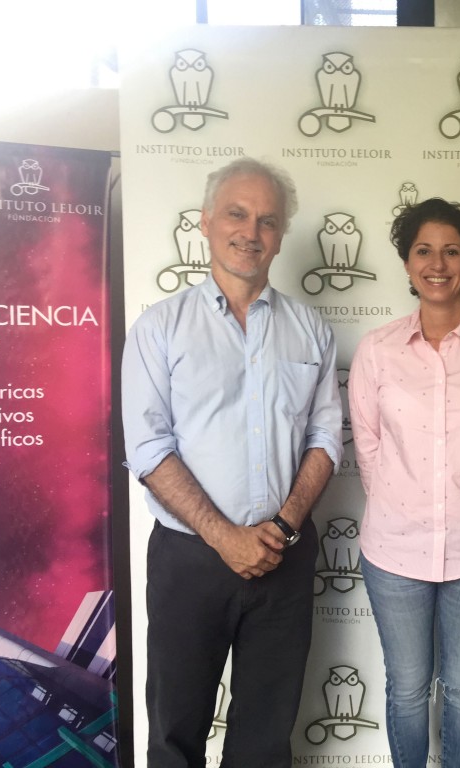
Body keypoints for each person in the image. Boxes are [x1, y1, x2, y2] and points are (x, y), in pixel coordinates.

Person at [122, 158, 344, 768]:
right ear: (205, 221)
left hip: (284, 555)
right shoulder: (159, 328)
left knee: (265, 742)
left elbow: (327, 437)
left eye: (268, 220)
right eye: (237, 214)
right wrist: (224, 538)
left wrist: (282, 527)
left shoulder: (311, 329)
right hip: (189, 559)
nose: (251, 231)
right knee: (174, 733)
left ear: (281, 235)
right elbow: (146, 447)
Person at [348, 198, 460, 768]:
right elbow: (370, 450)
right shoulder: (377, 351)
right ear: (406, 264)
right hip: (394, 550)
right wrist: (414, 508)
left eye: (451, 250)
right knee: (405, 689)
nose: (437, 263)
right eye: (423, 250)